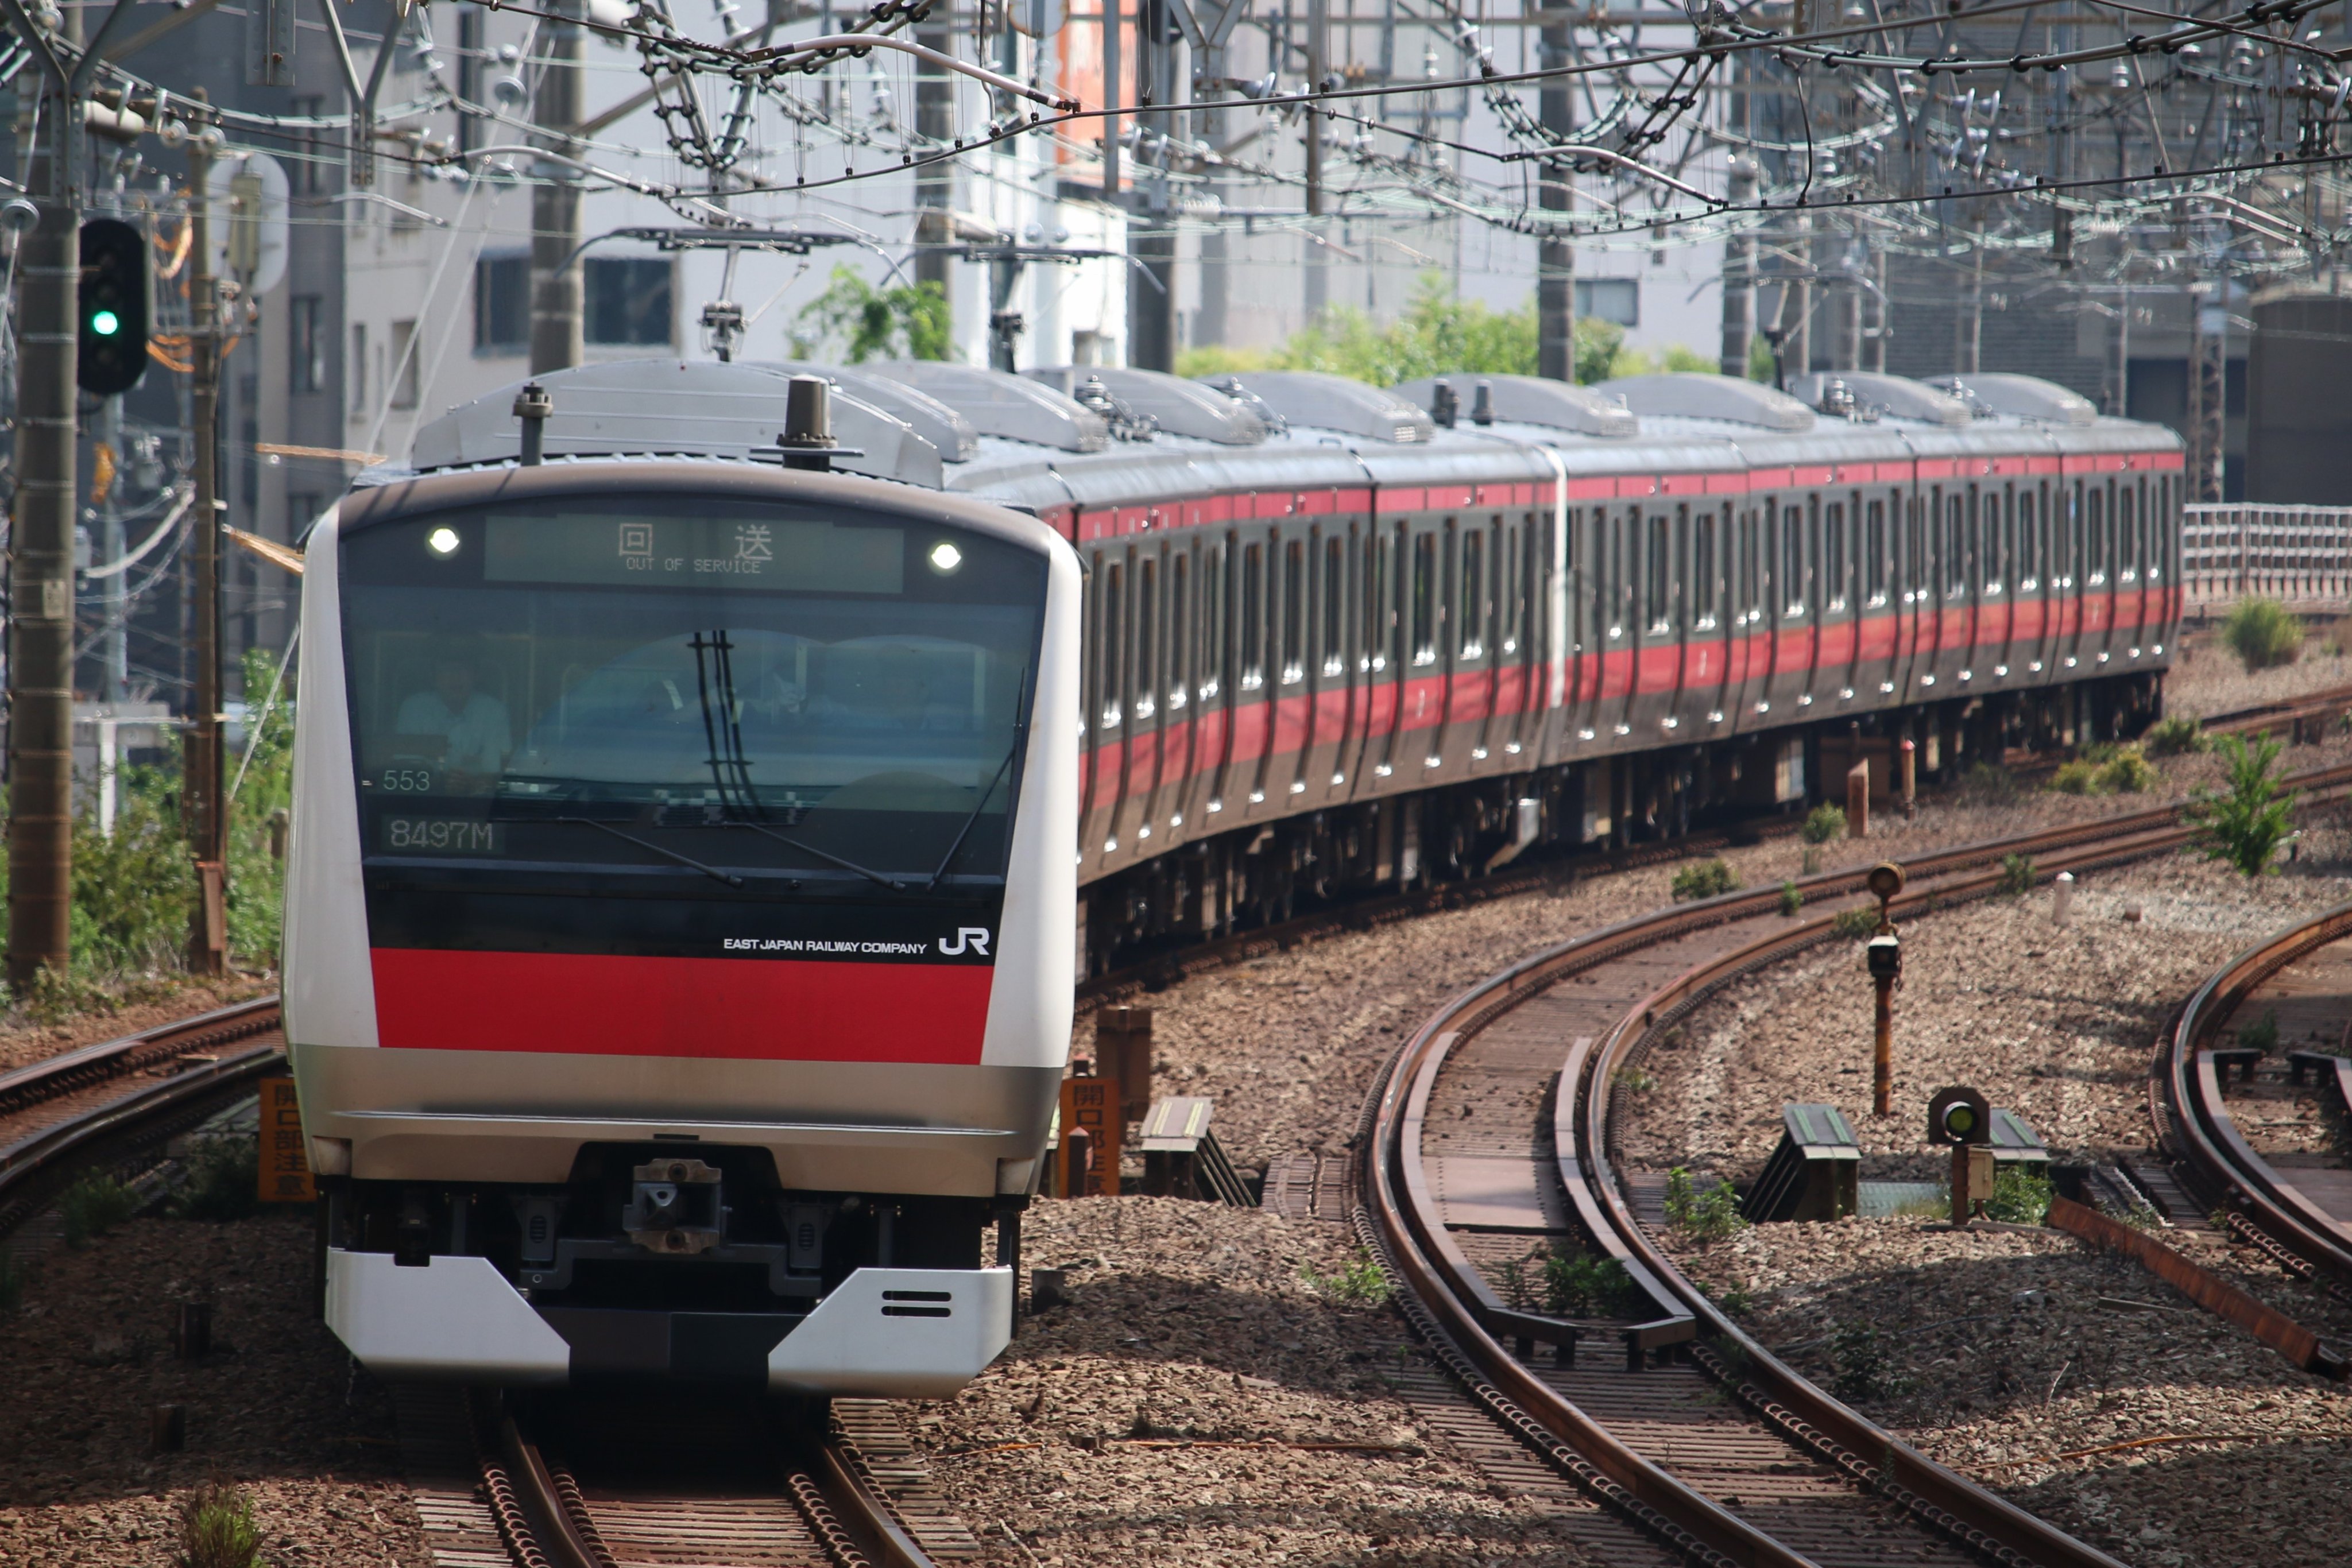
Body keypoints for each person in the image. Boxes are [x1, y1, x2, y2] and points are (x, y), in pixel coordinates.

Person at [395, 660, 512, 783]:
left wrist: (470, 783)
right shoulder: (414, 709)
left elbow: (495, 770)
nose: (456, 677)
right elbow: (406, 767)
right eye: (446, 669)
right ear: (433, 677)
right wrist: (441, 782)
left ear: (476, 676)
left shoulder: (494, 711)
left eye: (464, 669)